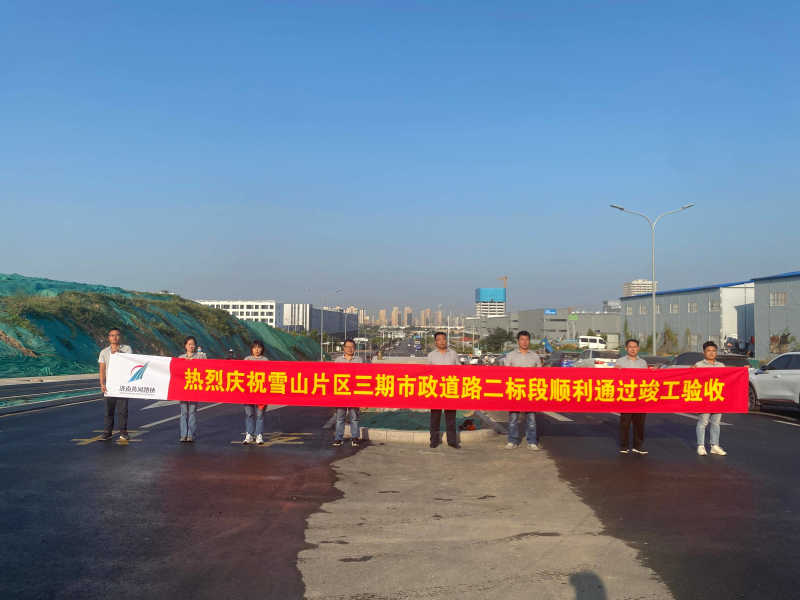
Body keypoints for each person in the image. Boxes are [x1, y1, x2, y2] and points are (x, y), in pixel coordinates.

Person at [503, 331, 543, 450]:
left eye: (526, 339)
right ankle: (512, 440)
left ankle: (532, 441)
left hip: (530, 390)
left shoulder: (535, 356)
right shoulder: (511, 355)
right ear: (518, 341)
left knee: (531, 418)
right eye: (522, 339)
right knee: (513, 418)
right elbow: (505, 372)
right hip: (515, 389)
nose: (524, 342)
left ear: (529, 341)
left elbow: (541, 373)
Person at [98, 328, 133, 441]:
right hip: (110, 385)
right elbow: (102, 369)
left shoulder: (127, 349)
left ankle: (124, 432)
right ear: (109, 338)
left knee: (123, 410)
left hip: (122, 384)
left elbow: (130, 363)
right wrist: (102, 384)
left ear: (120, 337)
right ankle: (107, 432)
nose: (114, 337)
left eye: (117, 335)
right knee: (109, 410)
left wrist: (118, 353)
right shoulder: (104, 352)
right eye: (112, 335)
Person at [615, 338, 649, 455]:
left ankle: (638, 446)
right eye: (630, 347)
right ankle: (624, 446)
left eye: (635, 347)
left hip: (640, 396)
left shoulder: (643, 363)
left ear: (638, 348)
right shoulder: (620, 361)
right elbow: (614, 378)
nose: (633, 349)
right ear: (626, 348)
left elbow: (647, 378)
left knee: (639, 423)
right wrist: (616, 370)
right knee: (625, 422)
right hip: (626, 396)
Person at [427, 331, 460, 449]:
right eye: (439, 339)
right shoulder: (431, 355)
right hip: (435, 390)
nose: (442, 341)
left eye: (443, 339)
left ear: (446, 340)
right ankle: (434, 441)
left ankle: (452, 441)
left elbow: (460, 370)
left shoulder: (453, 354)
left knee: (451, 417)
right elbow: (426, 373)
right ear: (435, 342)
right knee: (435, 417)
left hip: (450, 389)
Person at [694, 341, 727, 456]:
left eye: (714, 351)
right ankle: (701, 445)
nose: (711, 353)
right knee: (703, 421)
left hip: (717, 397)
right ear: (704, 352)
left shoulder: (721, 366)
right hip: (704, 397)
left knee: (716, 423)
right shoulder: (699, 365)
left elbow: (729, 378)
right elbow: (690, 377)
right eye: (709, 351)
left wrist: (743, 370)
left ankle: (714, 445)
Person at [332, 339, 362, 447]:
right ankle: (338, 438)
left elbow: (364, 376)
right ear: (344, 348)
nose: (350, 349)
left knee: (354, 418)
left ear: (355, 348)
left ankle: (355, 438)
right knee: (340, 418)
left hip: (354, 393)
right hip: (341, 393)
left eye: (352, 347)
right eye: (347, 347)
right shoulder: (338, 360)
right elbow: (333, 376)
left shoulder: (359, 360)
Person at [178, 336, 206, 442]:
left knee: (192, 411)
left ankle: (190, 435)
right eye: (189, 344)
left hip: (194, 387)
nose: (191, 346)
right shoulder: (180, 358)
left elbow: (207, 367)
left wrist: (203, 357)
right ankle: (183, 434)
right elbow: (176, 371)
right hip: (183, 388)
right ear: (185, 346)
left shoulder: (200, 357)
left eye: (193, 344)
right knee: (184, 412)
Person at [243, 340, 269, 445]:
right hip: (248, 392)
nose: (257, 350)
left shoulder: (265, 360)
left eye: (259, 347)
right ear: (251, 349)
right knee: (249, 414)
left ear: (262, 349)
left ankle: (259, 435)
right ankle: (249, 434)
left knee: (260, 415)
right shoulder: (247, 359)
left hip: (261, 392)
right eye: (254, 347)